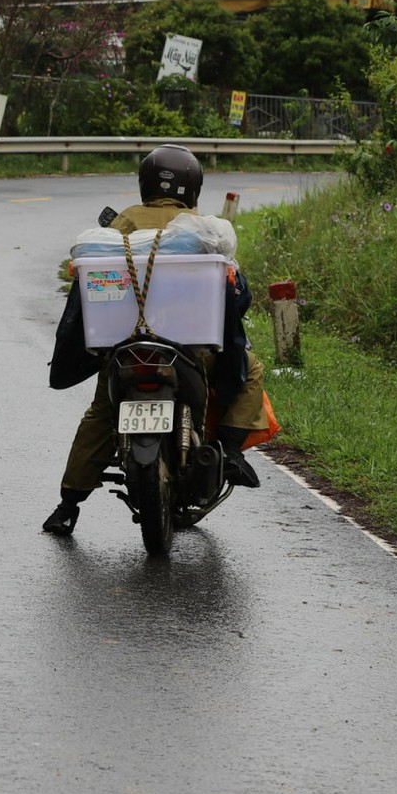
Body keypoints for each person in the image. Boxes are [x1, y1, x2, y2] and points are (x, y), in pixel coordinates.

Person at [43, 144, 270, 534]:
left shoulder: (122, 224)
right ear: (193, 188)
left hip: (125, 344)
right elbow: (236, 293)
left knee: (100, 415)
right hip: (190, 346)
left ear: (145, 184)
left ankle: (66, 507)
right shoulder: (202, 230)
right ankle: (231, 452)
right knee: (250, 370)